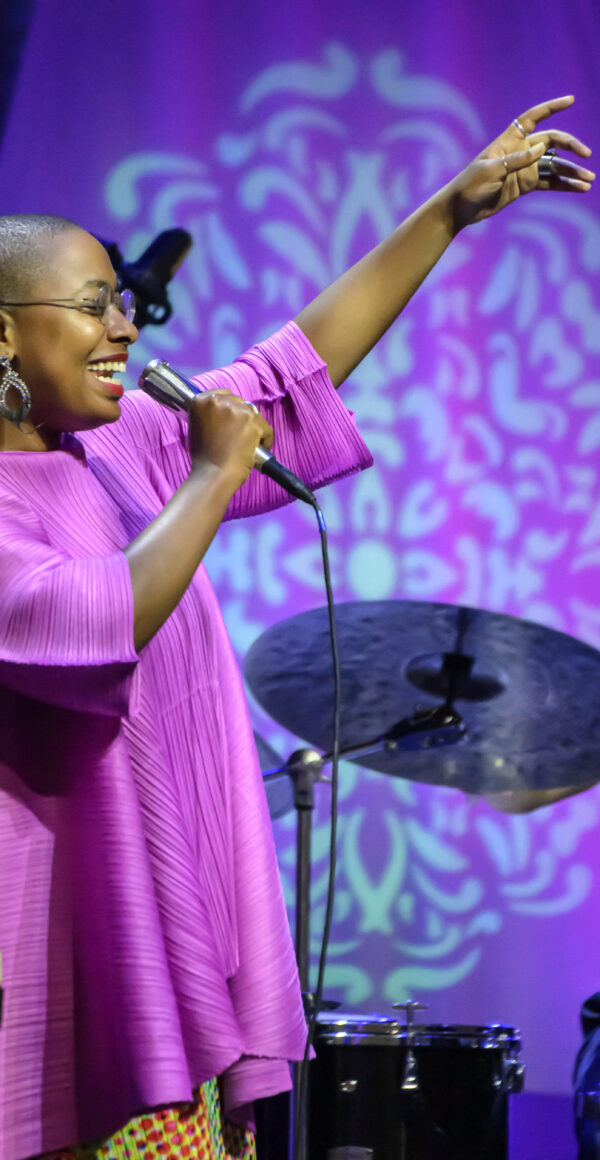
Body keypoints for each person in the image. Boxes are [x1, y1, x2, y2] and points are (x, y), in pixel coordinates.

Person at [0, 96, 594, 1160]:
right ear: (3, 327)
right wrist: (214, 472)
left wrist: (446, 215)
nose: (126, 327)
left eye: (123, 305)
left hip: (162, 938)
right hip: (56, 948)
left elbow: (286, 373)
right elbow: (96, 621)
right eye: (96, 304)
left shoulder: (119, 442)